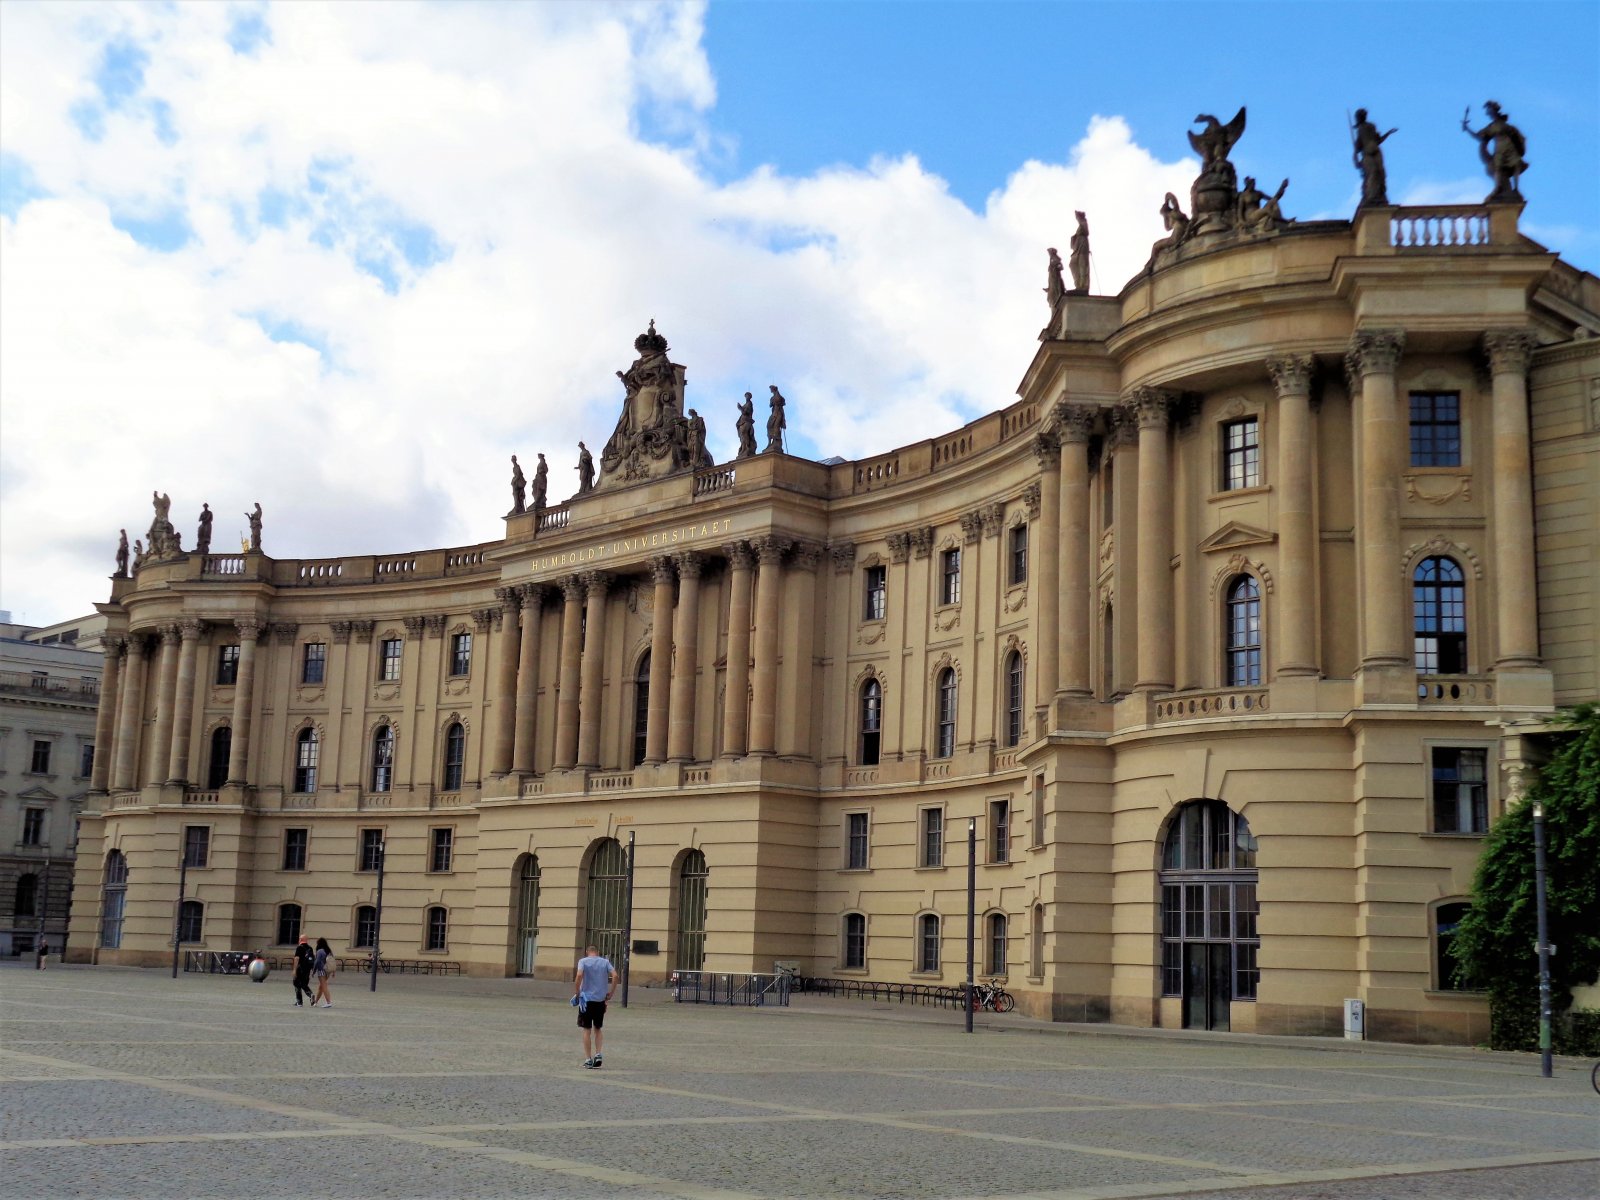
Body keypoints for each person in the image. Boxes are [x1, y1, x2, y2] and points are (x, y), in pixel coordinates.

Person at [573, 943, 617, 1068]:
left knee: (586, 1029)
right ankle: (598, 1054)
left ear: (587, 952)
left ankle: (588, 1059)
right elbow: (615, 975)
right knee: (598, 1028)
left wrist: (577, 991)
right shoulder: (604, 962)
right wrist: (611, 992)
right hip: (600, 1000)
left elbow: (579, 975)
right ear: (597, 952)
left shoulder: (583, 961)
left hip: (586, 1000)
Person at [292, 934, 315, 1007]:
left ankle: (299, 1002)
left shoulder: (299, 947)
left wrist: (294, 970)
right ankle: (311, 994)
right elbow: (312, 959)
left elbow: (296, 958)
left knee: (296, 983)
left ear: (300, 940)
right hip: (307, 969)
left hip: (300, 968)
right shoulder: (310, 948)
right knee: (304, 984)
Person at [312, 937, 334, 1007]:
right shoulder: (329, 951)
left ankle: (328, 1002)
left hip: (321, 970)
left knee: (324, 986)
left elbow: (317, 961)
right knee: (321, 987)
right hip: (328, 971)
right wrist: (333, 972)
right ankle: (315, 1002)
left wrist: (314, 971)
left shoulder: (320, 951)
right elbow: (332, 961)